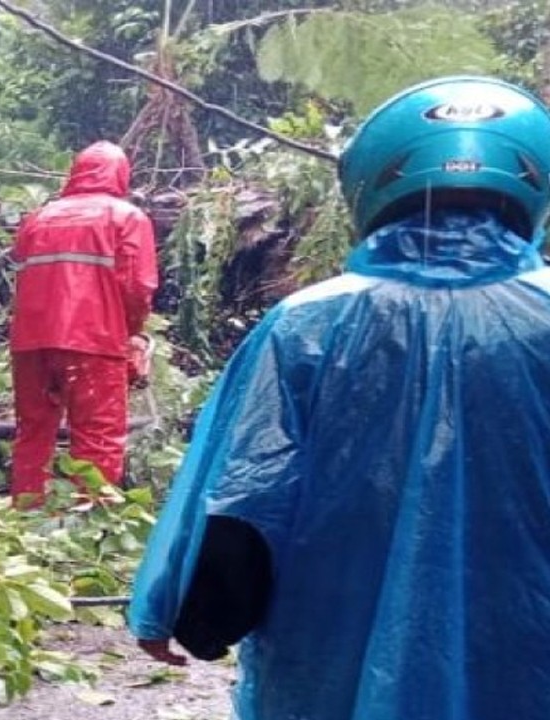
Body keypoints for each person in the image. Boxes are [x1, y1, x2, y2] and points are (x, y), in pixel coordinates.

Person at [127, 75, 550, 720]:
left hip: (329, 657)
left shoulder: (305, 326)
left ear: (373, 182)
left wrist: (180, 607)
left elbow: (239, 494)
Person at [8, 140, 159, 507]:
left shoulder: (37, 219)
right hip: (95, 339)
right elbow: (137, 287)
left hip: (31, 342)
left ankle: (27, 513)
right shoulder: (126, 218)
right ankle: (89, 523)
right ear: (121, 174)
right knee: (98, 436)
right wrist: (133, 333)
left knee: (33, 432)